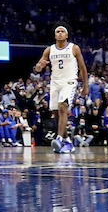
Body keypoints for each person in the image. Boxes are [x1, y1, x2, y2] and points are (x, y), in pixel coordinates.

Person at [31, 26, 88, 154]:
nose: (60, 33)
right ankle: (68, 142)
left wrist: (86, 86)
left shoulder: (74, 48)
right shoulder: (49, 50)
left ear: (66, 35)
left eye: (62, 31)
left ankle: (59, 138)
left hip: (69, 81)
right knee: (56, 113)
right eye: (58, 32)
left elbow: (83, 67)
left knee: (63, 107)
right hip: (55, 83)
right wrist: (40, 65)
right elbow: (38, 69)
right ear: (55, 35)